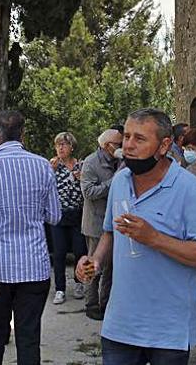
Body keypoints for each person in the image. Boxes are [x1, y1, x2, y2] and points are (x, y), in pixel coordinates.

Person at [75, 108, 196, 365]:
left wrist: (154, 238)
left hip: (168, 331)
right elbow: (110, 231)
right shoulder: (120, 181)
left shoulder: (190, 190)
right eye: (127, 137)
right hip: (120, 324)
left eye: (139, 139)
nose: (128, 145)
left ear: (164, 145)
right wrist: (94, 261)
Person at [0, 110, 61, 365]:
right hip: (35, 266)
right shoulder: (43, 165)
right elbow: (54, 215)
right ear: (23, 133)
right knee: (29, 338)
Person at [79, 128, 123, 320]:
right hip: (96, 222)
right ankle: (91, 303)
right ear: (107, 146)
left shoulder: (120, 162)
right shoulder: (91, 163)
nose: (122, 147)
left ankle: (106, 304)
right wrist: (114, 181)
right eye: (118, 144)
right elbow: (88, 192)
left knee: (110, 268)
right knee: (94, 265)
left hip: (115, 221)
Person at [48, 132, 86, 305]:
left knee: (80, 251)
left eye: (64, 144)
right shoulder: (52, 166)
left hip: (78, 214)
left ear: (71, 146)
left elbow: (88, 190)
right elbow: (44, 188)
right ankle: (60, 289)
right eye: (58, 145)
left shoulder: (81, 166)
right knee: (59, 253)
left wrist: (82, 179)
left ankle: (80, 283)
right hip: (59, 215)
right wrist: (51, 171)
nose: (61, 148)